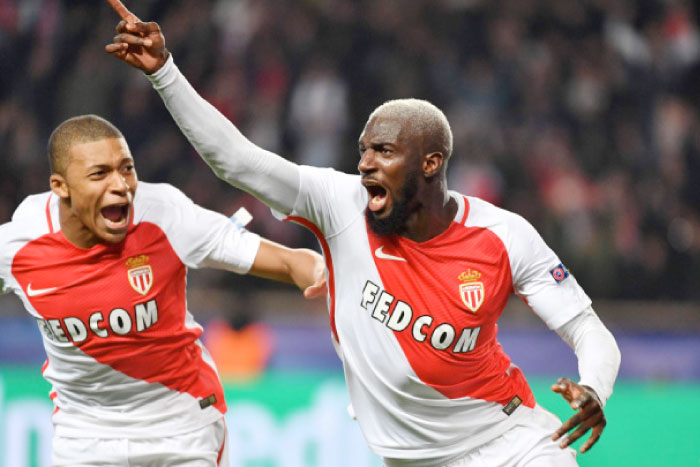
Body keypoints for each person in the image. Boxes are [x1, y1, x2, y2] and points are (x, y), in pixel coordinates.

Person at [105, 3, 622, 465]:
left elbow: (589, 331)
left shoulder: (504, 237)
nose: (366, 165)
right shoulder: (339, 203)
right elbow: (236, 161)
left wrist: (595, 388)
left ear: (431, 163)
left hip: (510, 445)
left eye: (385, 152)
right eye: (363, 150)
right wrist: (165, 73)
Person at [0, 113, 327, 466]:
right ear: (60, 186)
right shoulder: (19, 245)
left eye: (126, 168)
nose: (120, 185)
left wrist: (322, 271)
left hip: (182, 429)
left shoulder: (165, 215)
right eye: (100, 174)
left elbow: (289, 261)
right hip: (83, 437)